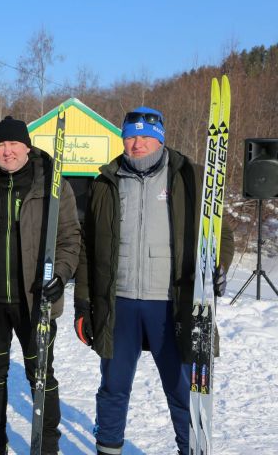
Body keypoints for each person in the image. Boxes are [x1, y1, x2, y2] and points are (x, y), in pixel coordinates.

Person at [73, 106, 235, 455]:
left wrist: (215, 268)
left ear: (160, 139)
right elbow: (89, 249)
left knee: (180, 388)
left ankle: (189, 448)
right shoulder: (106, 182)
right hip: (120, 303)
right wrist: (83, 304)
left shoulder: (190, 177)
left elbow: (221, 234)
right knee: (113, 386)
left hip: (171, 304)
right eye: (131, 136)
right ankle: (109, 449)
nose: (137, 144)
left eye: (146, 136)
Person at [0, 116, 81, 454]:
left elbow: (70, 239)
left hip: (34, 300)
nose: (6, 151)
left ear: (27, 146)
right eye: (0, 145)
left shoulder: (53, 185)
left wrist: (62, 274)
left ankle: (46, 445)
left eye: (12, 144)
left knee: (40, 375)